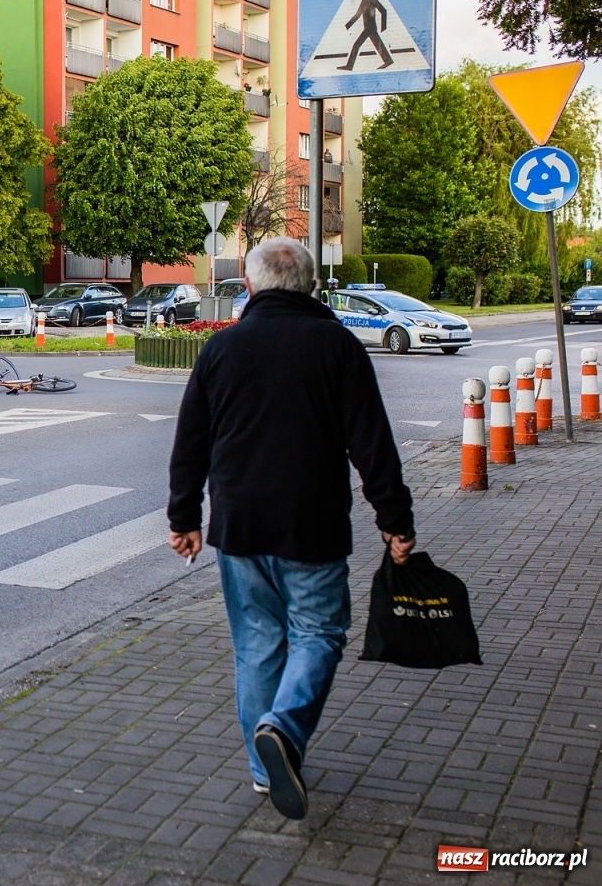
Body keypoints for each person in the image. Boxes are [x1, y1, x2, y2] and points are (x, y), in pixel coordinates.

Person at [167, 236, 415, 822]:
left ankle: (264, 770)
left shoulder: (222, 349)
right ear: (310, 286)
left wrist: (184, 518)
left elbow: (190, 441)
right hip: (313, 524)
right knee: (320, 634)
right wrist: (395, 520)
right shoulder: (337, 346)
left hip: (239, 523)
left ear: (251, 286)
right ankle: (282, 728)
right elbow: (372, 444)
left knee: (257, 645)